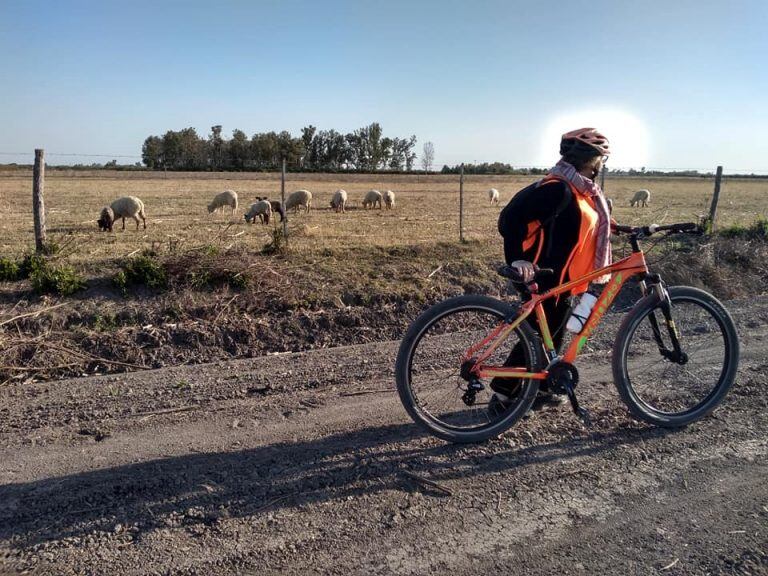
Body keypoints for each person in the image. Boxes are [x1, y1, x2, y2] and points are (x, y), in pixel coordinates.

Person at [491, 127, 613, 413]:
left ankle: (545, 389)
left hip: (564, 278)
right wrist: (517, 260)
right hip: (540, 274)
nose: (602, 165)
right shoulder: (558, 188)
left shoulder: (583, 192)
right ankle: (503, 395)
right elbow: (511, 218)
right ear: (592, 160)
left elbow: (584, 226)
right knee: (535, 338)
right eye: (601, 160)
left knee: (551, 336)